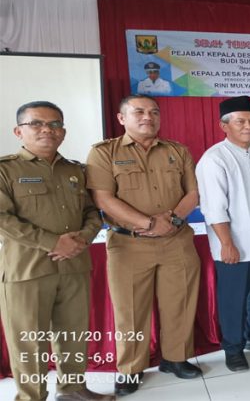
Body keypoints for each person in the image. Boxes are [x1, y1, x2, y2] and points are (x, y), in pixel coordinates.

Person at [86, 94, 202, 396]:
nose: (147, 117)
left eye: (153, 112)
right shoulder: (104, 153)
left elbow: (193, 193)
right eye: (138, 112)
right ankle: (130, 369)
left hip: (176, 240)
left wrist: (173, 219)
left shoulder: (178, 151)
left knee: (180, 302)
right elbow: (103, 199)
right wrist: (149, 223)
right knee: (131, 311)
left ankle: (176, 359)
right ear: (122, 118)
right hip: (128, 245)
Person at [0, 101, 113, 400]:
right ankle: (30, 397)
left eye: (54, 124)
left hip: (74, 265)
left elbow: (92, 212)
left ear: (63, 131)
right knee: (28, 341)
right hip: (27, 270)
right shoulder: (6, 170)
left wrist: (82, 239)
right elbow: (2, 218)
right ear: (18, 131)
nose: (46, 130)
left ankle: (73, 390)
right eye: (36, 124)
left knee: (73, 334)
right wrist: (54, 242)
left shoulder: (75, 170)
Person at [196, 96, 250, 372]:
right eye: (240, 121)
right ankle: (233, 348)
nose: (249, 126)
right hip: (236, 245)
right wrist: (226, 243)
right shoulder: (214, 159)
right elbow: (213, 208)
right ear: (224, 126)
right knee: (233, 299)